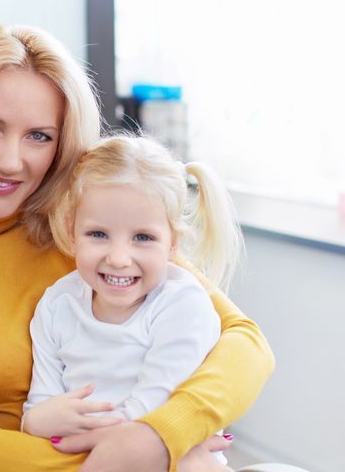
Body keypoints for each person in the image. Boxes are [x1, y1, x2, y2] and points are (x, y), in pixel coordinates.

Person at [0, 24, 275, 472]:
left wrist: (163, 435)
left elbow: (248, 346)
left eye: (39, 136)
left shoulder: (88, 224)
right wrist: (143, 458)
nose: (10, 160)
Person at [22, 135, 245, 466]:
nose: (119, 258)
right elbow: (37, 412)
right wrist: (38, 421)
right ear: (71, 232)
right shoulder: (57, 305)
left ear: (172, 244)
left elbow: (156, 409)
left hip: (169, 457)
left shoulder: (182, 304)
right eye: (98, 234)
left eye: (143, 237)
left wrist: (89, 436)